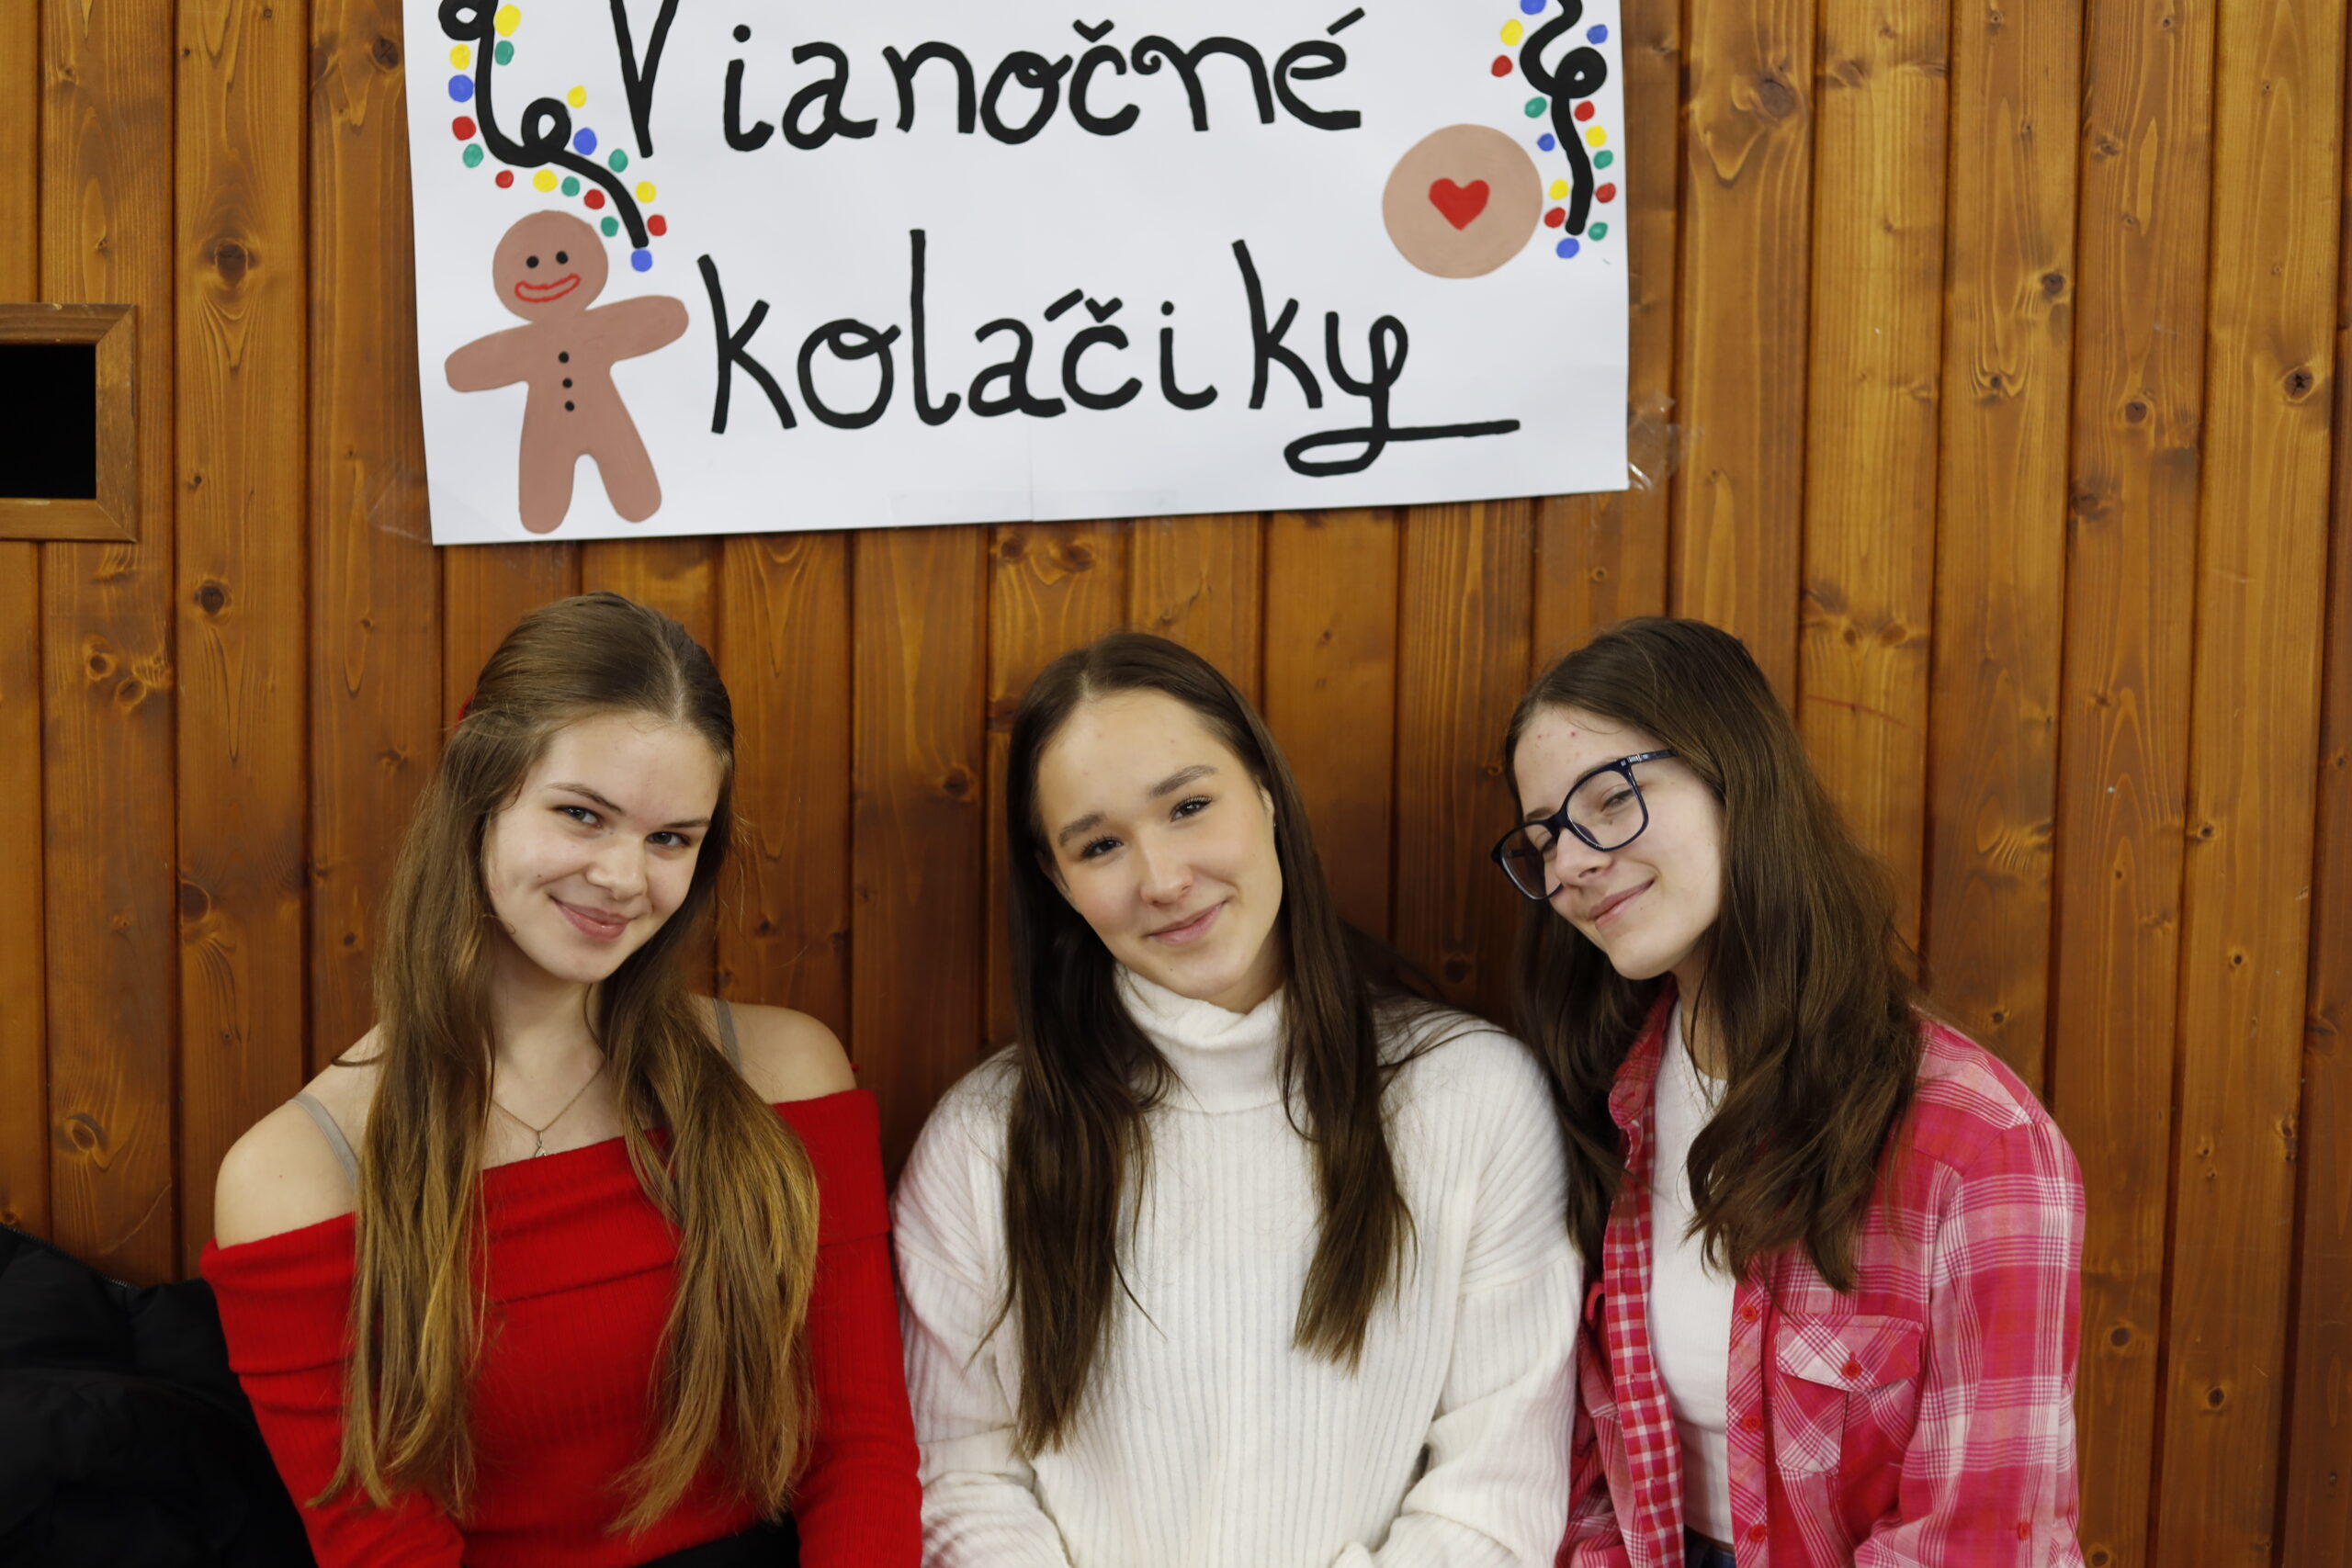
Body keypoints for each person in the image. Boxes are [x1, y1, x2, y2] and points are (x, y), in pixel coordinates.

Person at [201, 592, 921, 1568]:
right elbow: (381, 1543)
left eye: (671, 839)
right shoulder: (297, 1172)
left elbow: (861, 1448)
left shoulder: (784, 1072)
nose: (625, 877)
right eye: (583, 815)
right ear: (479, 793)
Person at [893, 630, 1579, 1568]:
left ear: (1265, 789)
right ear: (1057, 880)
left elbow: (1493, 1496)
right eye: (1100, 844)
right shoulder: (984, 1139)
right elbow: (958, 1478)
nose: (1163, 879)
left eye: (1188, 806)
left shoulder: (1473, 1096)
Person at [1494, 617, 2085, 1567]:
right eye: (1544, 839)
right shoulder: (1604, 1095)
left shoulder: (1978, 1146)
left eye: (1611, 800)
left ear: (1739, 777)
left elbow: (1976, 1542)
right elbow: (1591, 1472)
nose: (1570, 865)